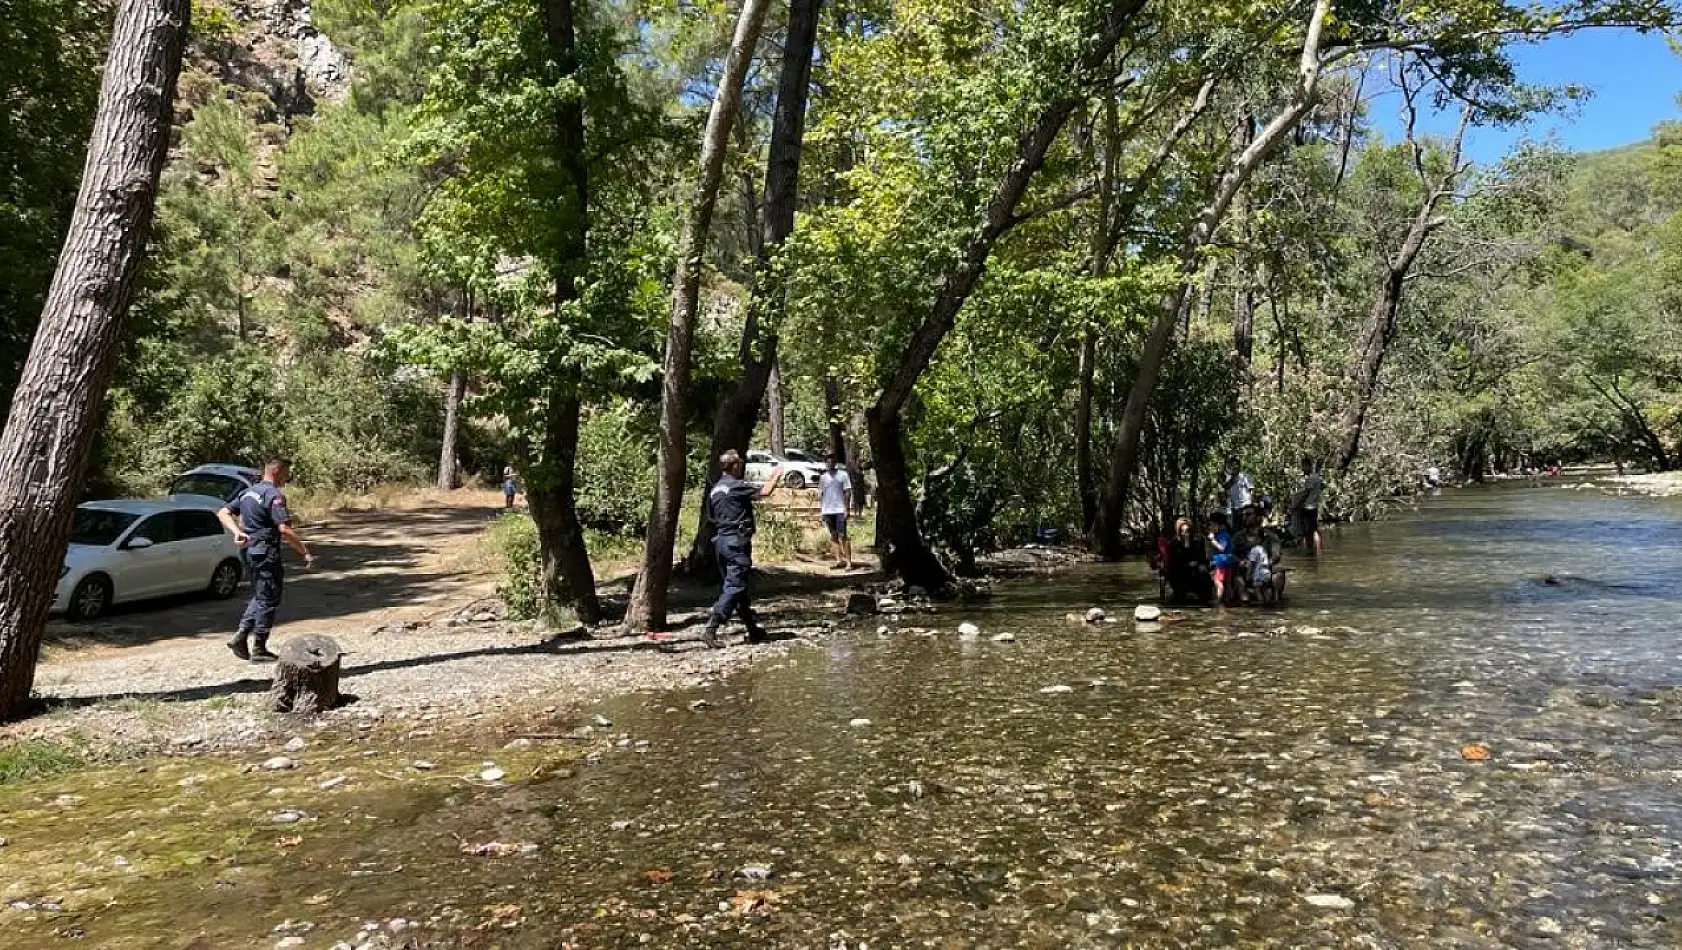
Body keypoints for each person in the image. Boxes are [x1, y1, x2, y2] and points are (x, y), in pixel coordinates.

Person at [216, 458, 313, 662]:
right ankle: (259, 647)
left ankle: (241, 636)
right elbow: (284, 530)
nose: (288, 477)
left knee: (261, 595)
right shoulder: (273, 494)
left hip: (249, 550)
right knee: (268, 597)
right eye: (286, 472)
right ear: (277, 470)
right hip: (265, 551)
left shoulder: (248, 492)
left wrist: (237, 532)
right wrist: (303, 551)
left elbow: (223, 512)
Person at [699, 449, 779, 649]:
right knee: (734, 586)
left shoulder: (715, 489)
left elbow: (710, 518)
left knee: (737, 587)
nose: (742, 467)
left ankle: (752, 629)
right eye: (740, 464)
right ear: (734, 466)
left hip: (721, 542)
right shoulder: (736, 486)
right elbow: (765, 492)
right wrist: (776, 475)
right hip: (736, 542)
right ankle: (711, 628)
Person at [1165, 516, 1213, 604]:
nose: (1185, 533)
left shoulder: (1198, 541)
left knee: (1204, 573)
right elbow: (1173, 563)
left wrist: (1200, 564)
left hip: (1196, 569)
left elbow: (1202, 557)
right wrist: (1187, 564)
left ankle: (1205, 597)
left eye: (1187, 531)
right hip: (1180, 571)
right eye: (1182, 531)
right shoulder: (1174, 544)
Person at [818, 455, 853, 570]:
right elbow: (821, 495)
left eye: (832, 462)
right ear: (825, 464)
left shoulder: (843, 475)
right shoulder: (823, 478)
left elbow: (848, 492)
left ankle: (849, 562)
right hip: (828, 510)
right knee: (833, 536)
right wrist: (822, 511)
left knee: (843, 536)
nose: (830, 464)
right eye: (827, 462)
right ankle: (838, 560)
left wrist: (846, 508)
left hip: (839, 509)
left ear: (835, 463)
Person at [1294, 457, 1324, 557]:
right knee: (1311, 529)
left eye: (1303, 466)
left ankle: (1316, 550)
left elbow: (1306, 494)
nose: (1302, 469)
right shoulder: (1317, 478)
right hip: (1313, 506)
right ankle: (1313, 550)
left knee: (1312, 530)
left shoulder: (1311, 478)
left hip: (1309, 507)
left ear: (1308, 466)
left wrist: (1296, 505)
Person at [1207, 511, 1235, 605]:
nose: (1210, 528)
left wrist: (1212, 540)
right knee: (1228, 582)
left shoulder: (1223, 535)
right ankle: (1228, 599)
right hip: (1227, 561)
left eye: (1212, 525)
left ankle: (1218, 600)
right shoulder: (1224, 534)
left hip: (1222, 562)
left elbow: (1221, 548)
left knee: (1217, 581)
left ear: (1219, 525)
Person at [1224, 457, 1255, 524]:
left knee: (1245, 525)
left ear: (1239, 466)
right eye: (1231, 465)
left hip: (1245, 506)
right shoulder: (1228, 479)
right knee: (1236, 528)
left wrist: (1251, 506)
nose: (1234, 467)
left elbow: (1251, 491)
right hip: (1234, 507)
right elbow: (1226, 488)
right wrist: (1232, 480)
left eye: (1235, 465)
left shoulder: (1245, 476)